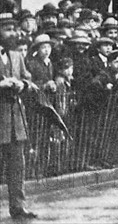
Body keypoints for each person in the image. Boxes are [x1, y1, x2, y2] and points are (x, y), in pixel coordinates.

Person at [1, 13, 39, 218]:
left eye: (14, 29)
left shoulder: (17, 55)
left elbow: (29, 81)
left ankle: (18, 206)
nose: (13, 33)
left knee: (17, 165)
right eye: (7, 29)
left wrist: (22, 84)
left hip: (15, 120)